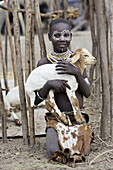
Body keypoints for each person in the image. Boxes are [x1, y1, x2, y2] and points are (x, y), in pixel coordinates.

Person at [34, 18, 91, 159]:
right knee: (54, 152)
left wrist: (76, 72)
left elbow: (87, 93)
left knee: (83, 152)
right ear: (49, 37)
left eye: (66, 35)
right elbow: (36, 100)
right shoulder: (43, 63)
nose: (62, 39)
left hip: (77, 118)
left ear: (71, 37)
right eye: (57, 35)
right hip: (56, 119)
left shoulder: (78, 61)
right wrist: (48, 85)